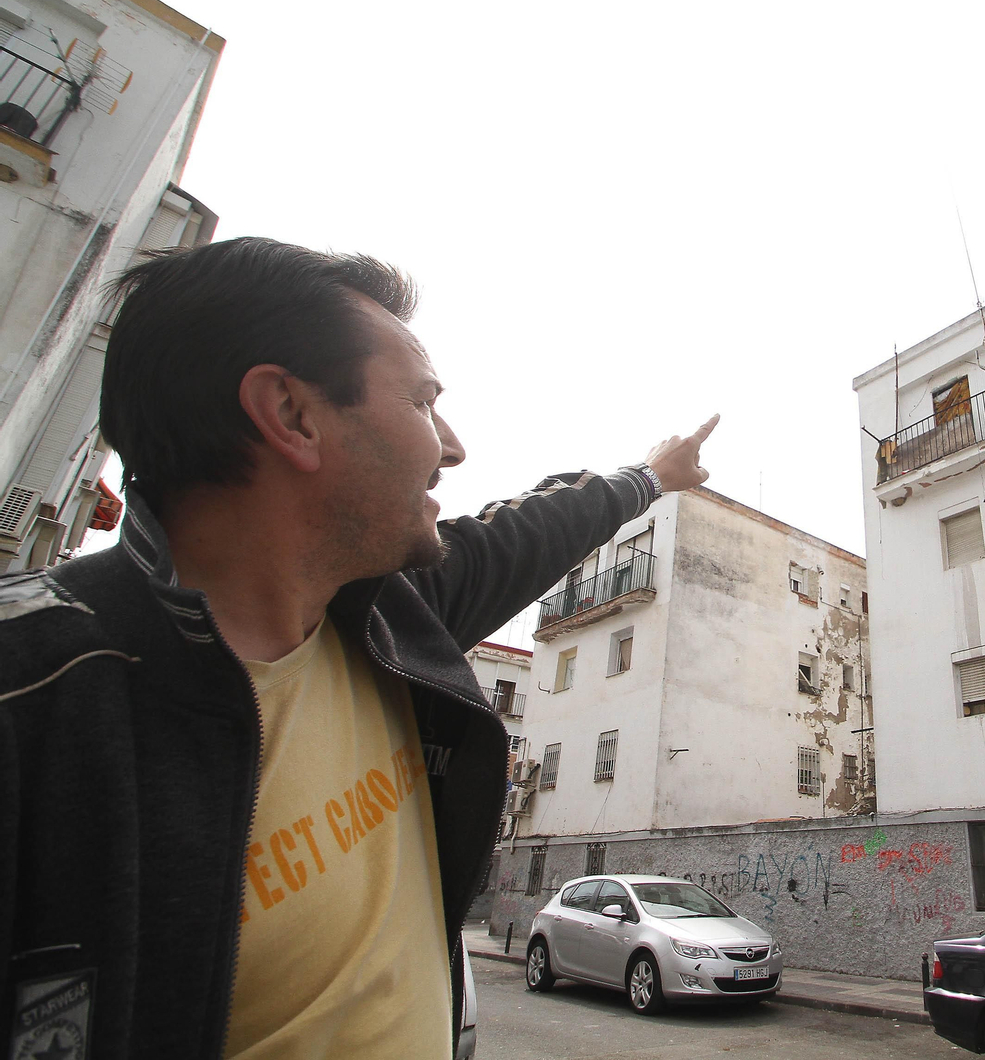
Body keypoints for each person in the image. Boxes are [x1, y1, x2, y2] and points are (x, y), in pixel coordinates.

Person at [0, 238, 718, 1058]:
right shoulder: (36, 699)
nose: (450, 446)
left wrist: (651, 477)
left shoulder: (394, 618)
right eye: (421, 402)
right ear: (292, 415)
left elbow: (530, 530)